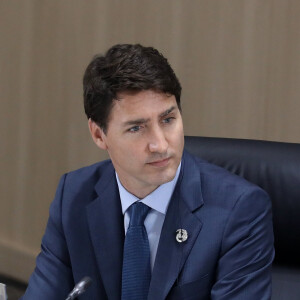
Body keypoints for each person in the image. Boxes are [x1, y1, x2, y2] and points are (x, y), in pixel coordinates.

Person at [22, 44, 274, 300]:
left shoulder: (239, 210)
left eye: (168, 120)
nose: (161, 145)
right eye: (136, 128)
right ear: (99, 134)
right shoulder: (74, 195)